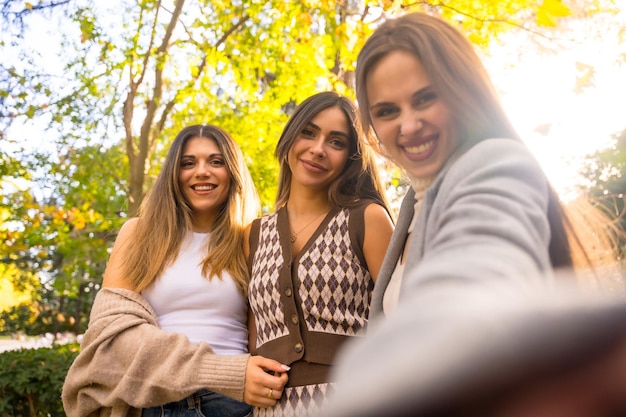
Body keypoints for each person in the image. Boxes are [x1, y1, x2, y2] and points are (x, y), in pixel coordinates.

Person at [315, 12, 626, 417]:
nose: (409, 125)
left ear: (463, 91)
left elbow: (472, 284)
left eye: (426, 97)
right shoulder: (411, 206)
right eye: (388, 111)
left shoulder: (494, 163)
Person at [62, 124, 289, 417]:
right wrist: (219, 370)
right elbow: (111, 335)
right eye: (188, 163)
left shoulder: (251, 238)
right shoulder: (138, 234)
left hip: (232, 403)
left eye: (216, 161)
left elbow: (267, 332)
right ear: (173, 174)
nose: (202, 171)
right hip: (153, 403)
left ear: (232, 172)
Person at [244, 91, 395, 416]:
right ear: (290, 138)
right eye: (309, 133)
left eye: (336, 142)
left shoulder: (366, 218)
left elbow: (402, 322)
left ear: (350, 157)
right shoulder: (254, 235)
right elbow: (253, 337)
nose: (318, 149)